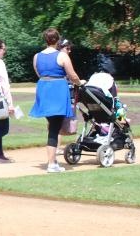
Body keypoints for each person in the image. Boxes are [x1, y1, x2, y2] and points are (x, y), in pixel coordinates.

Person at [30, 28, 83, 173]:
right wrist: (80, 83)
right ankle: (52, 164)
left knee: (52, 125)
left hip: (43, 89)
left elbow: (39, 73)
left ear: (45, 40)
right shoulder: (62, 55)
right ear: (57, 40)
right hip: (57, 90)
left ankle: (53, 162)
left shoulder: (37, 56)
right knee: (54, 128)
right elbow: (72, 75)